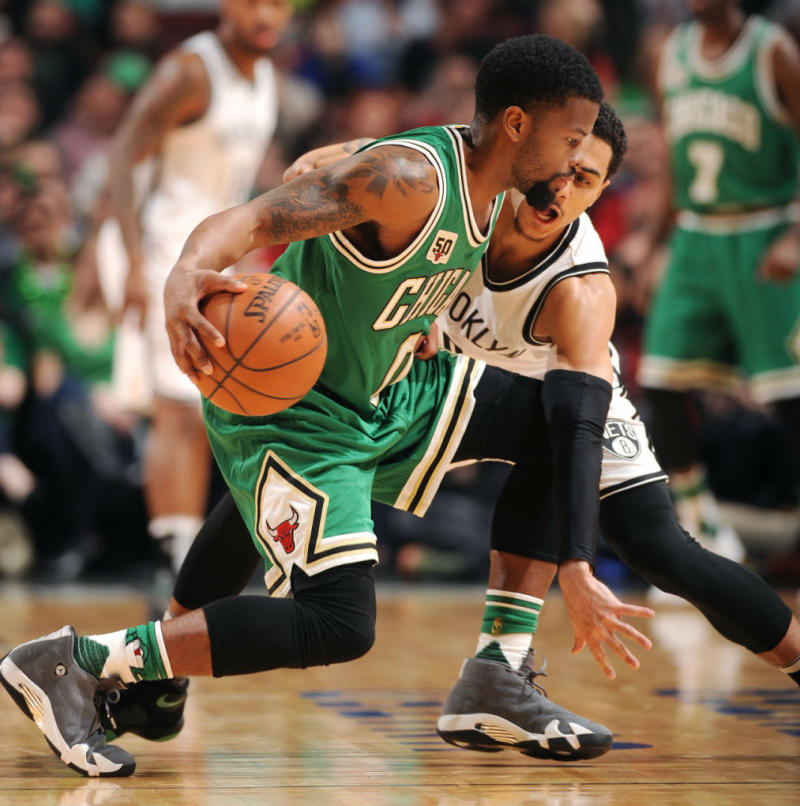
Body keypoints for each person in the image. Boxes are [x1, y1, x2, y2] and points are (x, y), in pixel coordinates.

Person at [0, 34, 649, 778]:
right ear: (515, 126)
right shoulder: (409, 177)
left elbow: (390, 234)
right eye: (571, 138)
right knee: (340, 623)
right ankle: (73, 661)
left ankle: (498, 671)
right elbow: (259, 217)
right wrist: (187, 272)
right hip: (294, 415)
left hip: (386, 389)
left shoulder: (504, 190)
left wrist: (424, 311)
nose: (576, 161)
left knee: (546, 425)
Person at [98, 102, 800, 761]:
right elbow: (304, 171)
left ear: (601, 193)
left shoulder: (580, 290)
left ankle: (514, 668)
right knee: (288, 470)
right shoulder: (473, 182)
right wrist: (417, 295)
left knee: (657, 547)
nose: (557, 190)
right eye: (557, 166)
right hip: (458, 379)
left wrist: (579, 566)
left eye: (583, 180)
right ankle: (162, 668)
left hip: (571, 403)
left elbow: (575, 424)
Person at [104, 0, 292, 575]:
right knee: (178, 407)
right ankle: (176, 556)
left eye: (280, 4)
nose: (267, 14)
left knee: (223, 405)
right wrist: (133, 263)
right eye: (255, 2)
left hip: (215, 252)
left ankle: (204, 549)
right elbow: (121, 158)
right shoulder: (188, 71)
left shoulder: (266, 76)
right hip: (160, 248)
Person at [635, 0, 800, 562]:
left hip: (764, 231)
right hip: (696, 236)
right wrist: (650, 245)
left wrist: (796, 234)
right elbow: (676, 166)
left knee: (789, 395)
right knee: (660, 380)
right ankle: (699, 524)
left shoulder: (770, 50)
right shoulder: (669, 54)